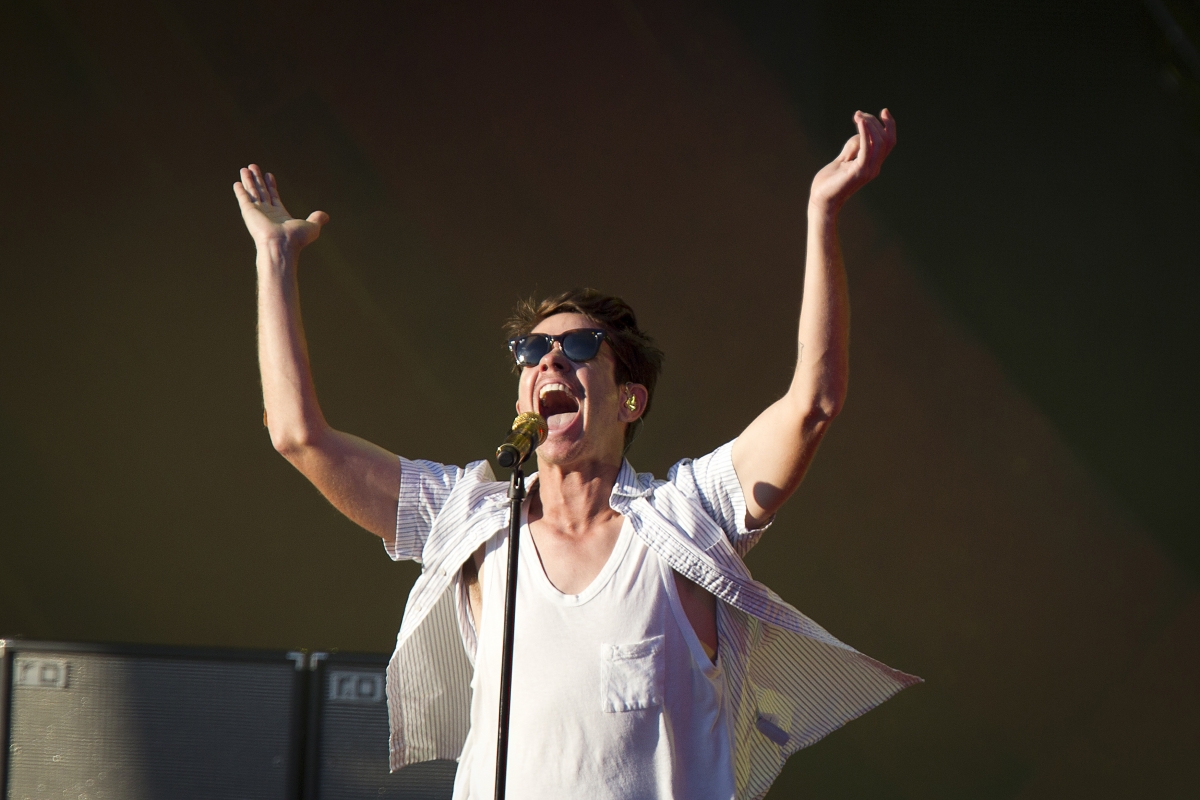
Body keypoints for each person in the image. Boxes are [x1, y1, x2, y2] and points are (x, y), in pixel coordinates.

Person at [234, 108, 917, 800]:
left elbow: (814, 404)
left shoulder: (681, 519)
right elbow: (299, 436)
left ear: (629, 401)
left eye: (582, 348)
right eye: (532, 351)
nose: (550, 358)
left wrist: (821, 213)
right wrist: (275, 260)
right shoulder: (472, 522)